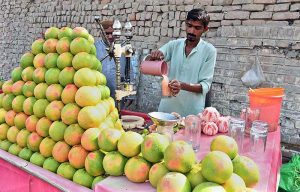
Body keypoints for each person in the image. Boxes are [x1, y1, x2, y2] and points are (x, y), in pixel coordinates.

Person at [147, 8, 217, 117]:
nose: (191, 31)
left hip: (191, 114)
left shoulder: (209, 51)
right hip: (166, 109)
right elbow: (151, 63)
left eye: (197, 28)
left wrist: (182, 85)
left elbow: (205, 86)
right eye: (189, 26)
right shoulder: (174, 45)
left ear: (205, 29)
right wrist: (154, 57)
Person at [95, 20, 137, 103]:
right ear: (101, 33)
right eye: (107, 33)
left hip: (118, 92)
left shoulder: (123, 48)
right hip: (99, 92)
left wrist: (130, 93)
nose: (110, 36)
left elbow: (129, 72)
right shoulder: (95, 47)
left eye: (112, 33)